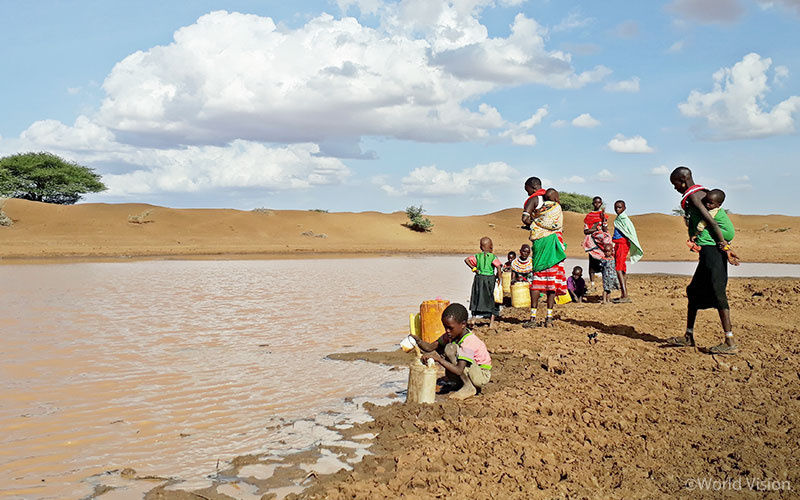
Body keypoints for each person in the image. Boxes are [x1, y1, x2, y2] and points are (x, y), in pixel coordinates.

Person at [667, 167, 740, 354]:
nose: (674, 187)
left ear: (683, 181)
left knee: (718, 292)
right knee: (693, 290)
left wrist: (725, 248)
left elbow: (712, 222)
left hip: (712, 250)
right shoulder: (699, 194)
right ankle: (689, 336)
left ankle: (730, 342)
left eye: (675, 183)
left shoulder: (695, 196)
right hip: (707, 249)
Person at [412, 303, 492, 400]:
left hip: (481, 375)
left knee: (450, 349)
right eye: (445, 327)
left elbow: (458, 370)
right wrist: (418, 341)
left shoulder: (469, 341)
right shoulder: (451, 335)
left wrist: (439, 359)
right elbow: (430, 347)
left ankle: (469, 386)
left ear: (463, 324)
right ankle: (460, 383)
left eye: (450, 328)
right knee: (447, 348)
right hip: (470, 371)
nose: (447, 331)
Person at [521, 177, 568, 327]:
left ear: (532, 187)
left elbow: (525, 218)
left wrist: (536, 226)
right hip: (554, 242)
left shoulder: (534, 200)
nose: (526, 191)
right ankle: (549, 318)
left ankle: (533, 318)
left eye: (526, 188)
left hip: (541, 243)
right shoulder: (554, 203)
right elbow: (555, 223)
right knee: (552, 282)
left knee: (537, 280)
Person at [610, 200, 643, 303]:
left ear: (624, 208)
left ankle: (624, 295)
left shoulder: (624, 219)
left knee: (618, 268)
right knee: (621, 268)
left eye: (619, 207)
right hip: (618, 244)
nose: (617, 209)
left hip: (622, 245)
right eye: (616, 207)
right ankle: (624, 294)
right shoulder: (619, 218)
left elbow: (630, 232)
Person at [464, 236, 502, 327]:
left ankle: (473, 318)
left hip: (479, 278)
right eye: (491, 246)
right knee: (491, 298)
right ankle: (491, 322)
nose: (492, 247)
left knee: (476, 296)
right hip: (489, 279)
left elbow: (466, 260)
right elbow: (498, 267)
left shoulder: (477, 256)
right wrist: (500, 278)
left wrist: (474, 269)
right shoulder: (493, 257)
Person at [582, 196, 609, 290]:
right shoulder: (589, 216)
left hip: (601, 242)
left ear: (601, 204)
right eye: (595, 203)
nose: (597, 204)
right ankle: (592, 284)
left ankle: (605, 283)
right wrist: (596, 227)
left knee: (603, 262)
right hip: (592, 242)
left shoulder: (603, 215)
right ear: (593, 204)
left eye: (599, 203)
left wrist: (603, 220)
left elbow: (605, 229)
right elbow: (586, 231)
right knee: (592, 263)